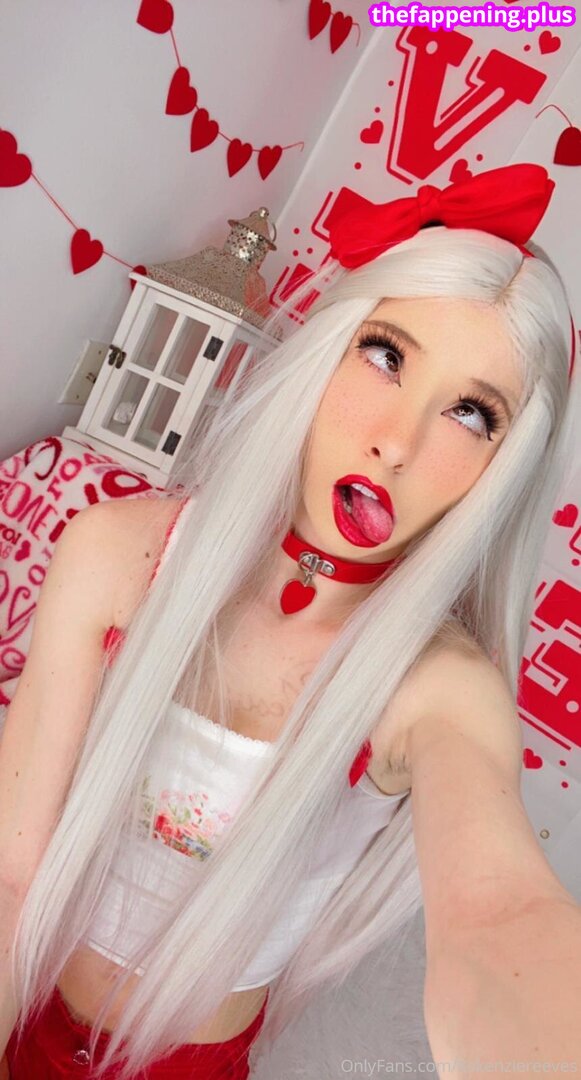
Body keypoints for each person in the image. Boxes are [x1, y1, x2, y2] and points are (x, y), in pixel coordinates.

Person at [0, 162, 579, 1079]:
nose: (396, 441)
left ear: (501, 467)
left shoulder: (437, 688)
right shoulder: (114, 552)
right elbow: (12, 869)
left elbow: (499, 915)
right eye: (385, 356)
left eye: (471, 414)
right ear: (326, 350)